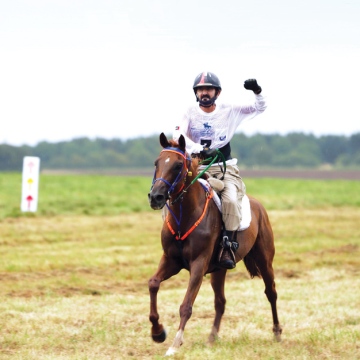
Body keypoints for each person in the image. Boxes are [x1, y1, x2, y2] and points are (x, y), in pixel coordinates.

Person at [173, 71, 267, 269]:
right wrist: (200, 149)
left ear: (218, 92)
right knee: (172, 194)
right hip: (197, 167)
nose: (204, 93)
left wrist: (257, 92)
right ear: (196, 93)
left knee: (231, 200)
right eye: (200, 90)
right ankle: (173, 239)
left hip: (226, 170)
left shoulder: (229, 110)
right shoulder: (189, 112)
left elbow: (260, 108)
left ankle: (228, 246)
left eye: (208, 89)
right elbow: (178, 134)